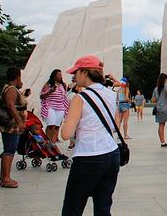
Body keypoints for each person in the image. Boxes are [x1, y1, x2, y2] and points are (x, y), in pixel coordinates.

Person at [60, 55, 121, 215]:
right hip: (112, 154)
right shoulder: (111, 94)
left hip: (88, 156)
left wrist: (65, 119)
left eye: (76, 72)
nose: (74, 76)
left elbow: (66, 134)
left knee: (72, 208)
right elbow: (115, 126)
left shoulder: (80, 98)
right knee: (103, 207)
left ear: (85, 73)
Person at [0, 67, 27, 188]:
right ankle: (6, 178)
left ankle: (3, 177)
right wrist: (19, 121)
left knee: (8, 150)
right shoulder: (11, 89)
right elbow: (10, 105)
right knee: (10, 150)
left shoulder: (10, 88)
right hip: (12, 125)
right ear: (18, 76)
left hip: (10, 124)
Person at [40, 69, 69, 143]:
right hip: (51, 107)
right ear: (54, 76)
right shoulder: (48, 84)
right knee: (51, 125)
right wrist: (50, 91)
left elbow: (64, 96)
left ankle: (53, 142)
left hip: (60, 108)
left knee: (56, 126)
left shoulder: (63, 85)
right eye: (59, 74)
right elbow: (42, 96)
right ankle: (48, 141)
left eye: (61, 74)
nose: (61, 76)